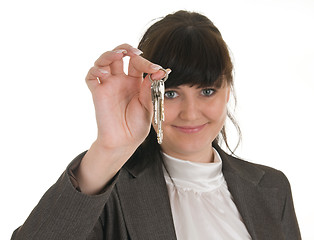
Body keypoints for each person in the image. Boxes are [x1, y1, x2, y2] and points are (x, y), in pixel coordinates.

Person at [11, 10, 301, 240]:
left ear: (228, 90)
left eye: (207, 91)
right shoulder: (110, 194)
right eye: (171, 93)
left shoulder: (272, 189)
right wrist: (109, 149)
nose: (190, 113)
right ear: (146, 91)